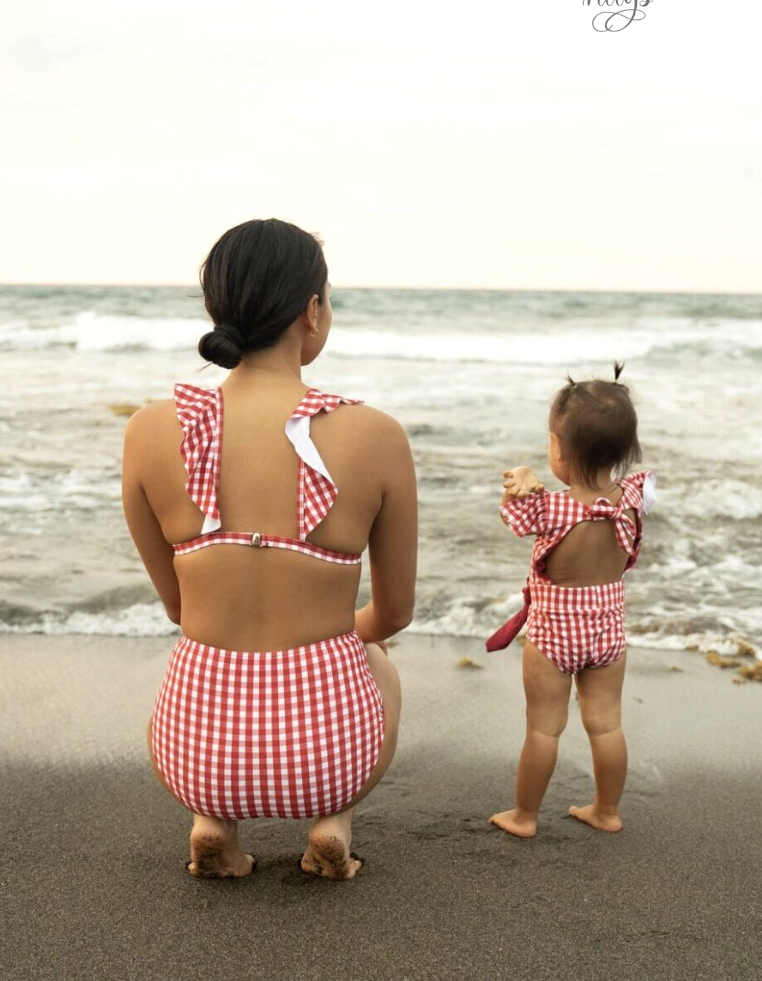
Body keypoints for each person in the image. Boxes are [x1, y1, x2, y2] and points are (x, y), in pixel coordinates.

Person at [122, 218, 417, 880]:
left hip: (192, 755)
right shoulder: (375, 434)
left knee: (201, 651)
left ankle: (213, 822)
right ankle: (335, 819)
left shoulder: (149, 431)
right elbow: (394, 612)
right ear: (312, 313)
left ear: (217, 309)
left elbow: (179, 609)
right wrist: (343, 639)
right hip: (328, 756)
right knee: (377, 659)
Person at [487, 364, 655, 838]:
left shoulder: (549, 507)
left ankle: (524, 816)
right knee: (605, 726)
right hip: (607, 632)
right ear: (624, 451)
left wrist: (520, 478)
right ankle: (607, 810)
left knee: (543, 729)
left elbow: (511, 512)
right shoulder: (634, 497)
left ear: (558, 450)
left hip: (553, 634)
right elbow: (640, 490)